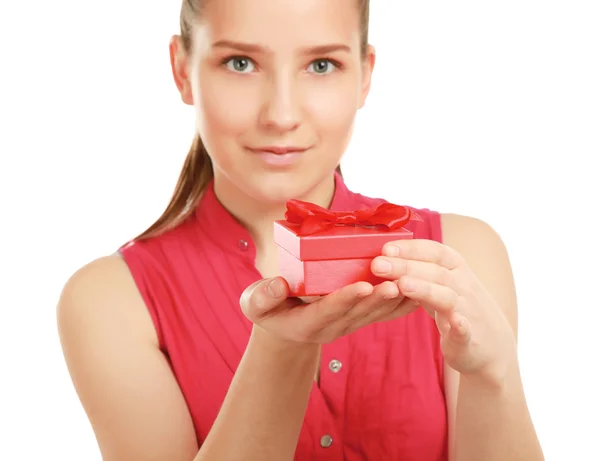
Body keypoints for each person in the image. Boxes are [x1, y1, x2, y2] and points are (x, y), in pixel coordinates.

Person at [57, 0, 545, 460]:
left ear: (365, 75)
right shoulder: (109, 299)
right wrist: (282, 346)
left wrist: (493, 376)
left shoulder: (461, 255)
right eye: (240, 63)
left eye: (321, 65)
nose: (281, 116)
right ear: (183, 70)